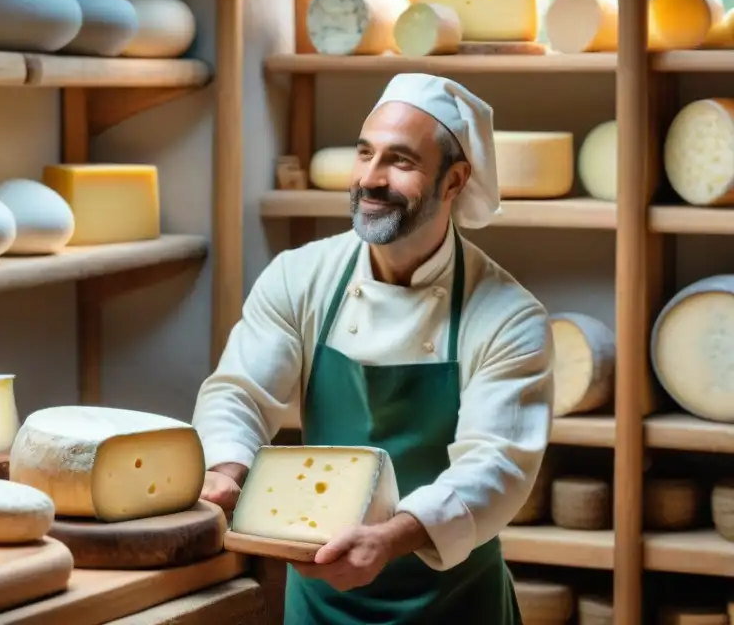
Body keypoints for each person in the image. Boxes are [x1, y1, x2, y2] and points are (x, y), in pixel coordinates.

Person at [192, 72, 554, 624]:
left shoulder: (507, 315)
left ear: (454, 181)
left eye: (401, 161)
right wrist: (226, 468)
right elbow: (240, 391)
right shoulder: (300, 276)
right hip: (321, 594)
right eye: (365, 153)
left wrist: (391, 538)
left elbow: (496, 465)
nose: (370, 178)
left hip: (453, 602)